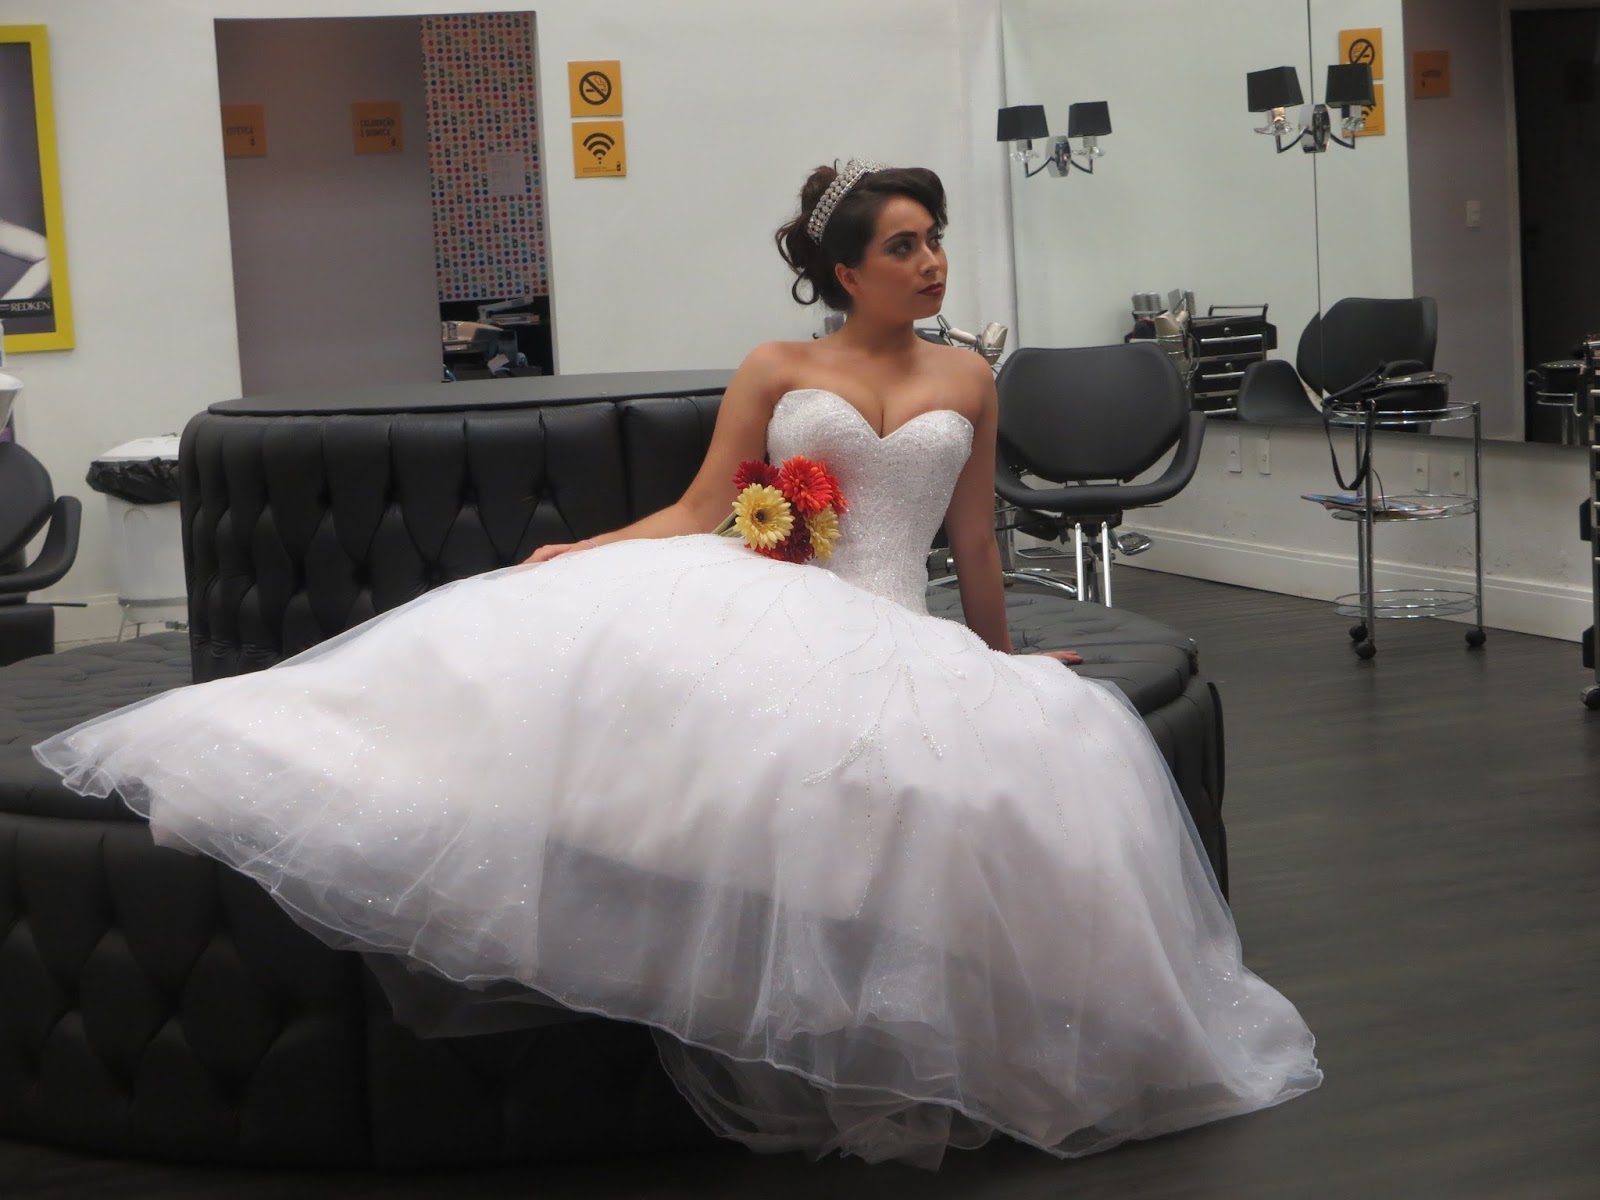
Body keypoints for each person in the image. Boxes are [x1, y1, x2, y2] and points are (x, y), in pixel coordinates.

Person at [35, 160, 1320, 1169]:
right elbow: (707, 506)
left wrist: (997, 655)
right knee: (594, 674)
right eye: (902, 245)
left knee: (982, 766)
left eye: (934, 240)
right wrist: (586, 548)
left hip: (892, 620)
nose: (930, 261)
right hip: (777, 596)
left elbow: (975, 535)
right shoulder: (778, 367)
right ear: (843, 271)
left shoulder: (970, 376)